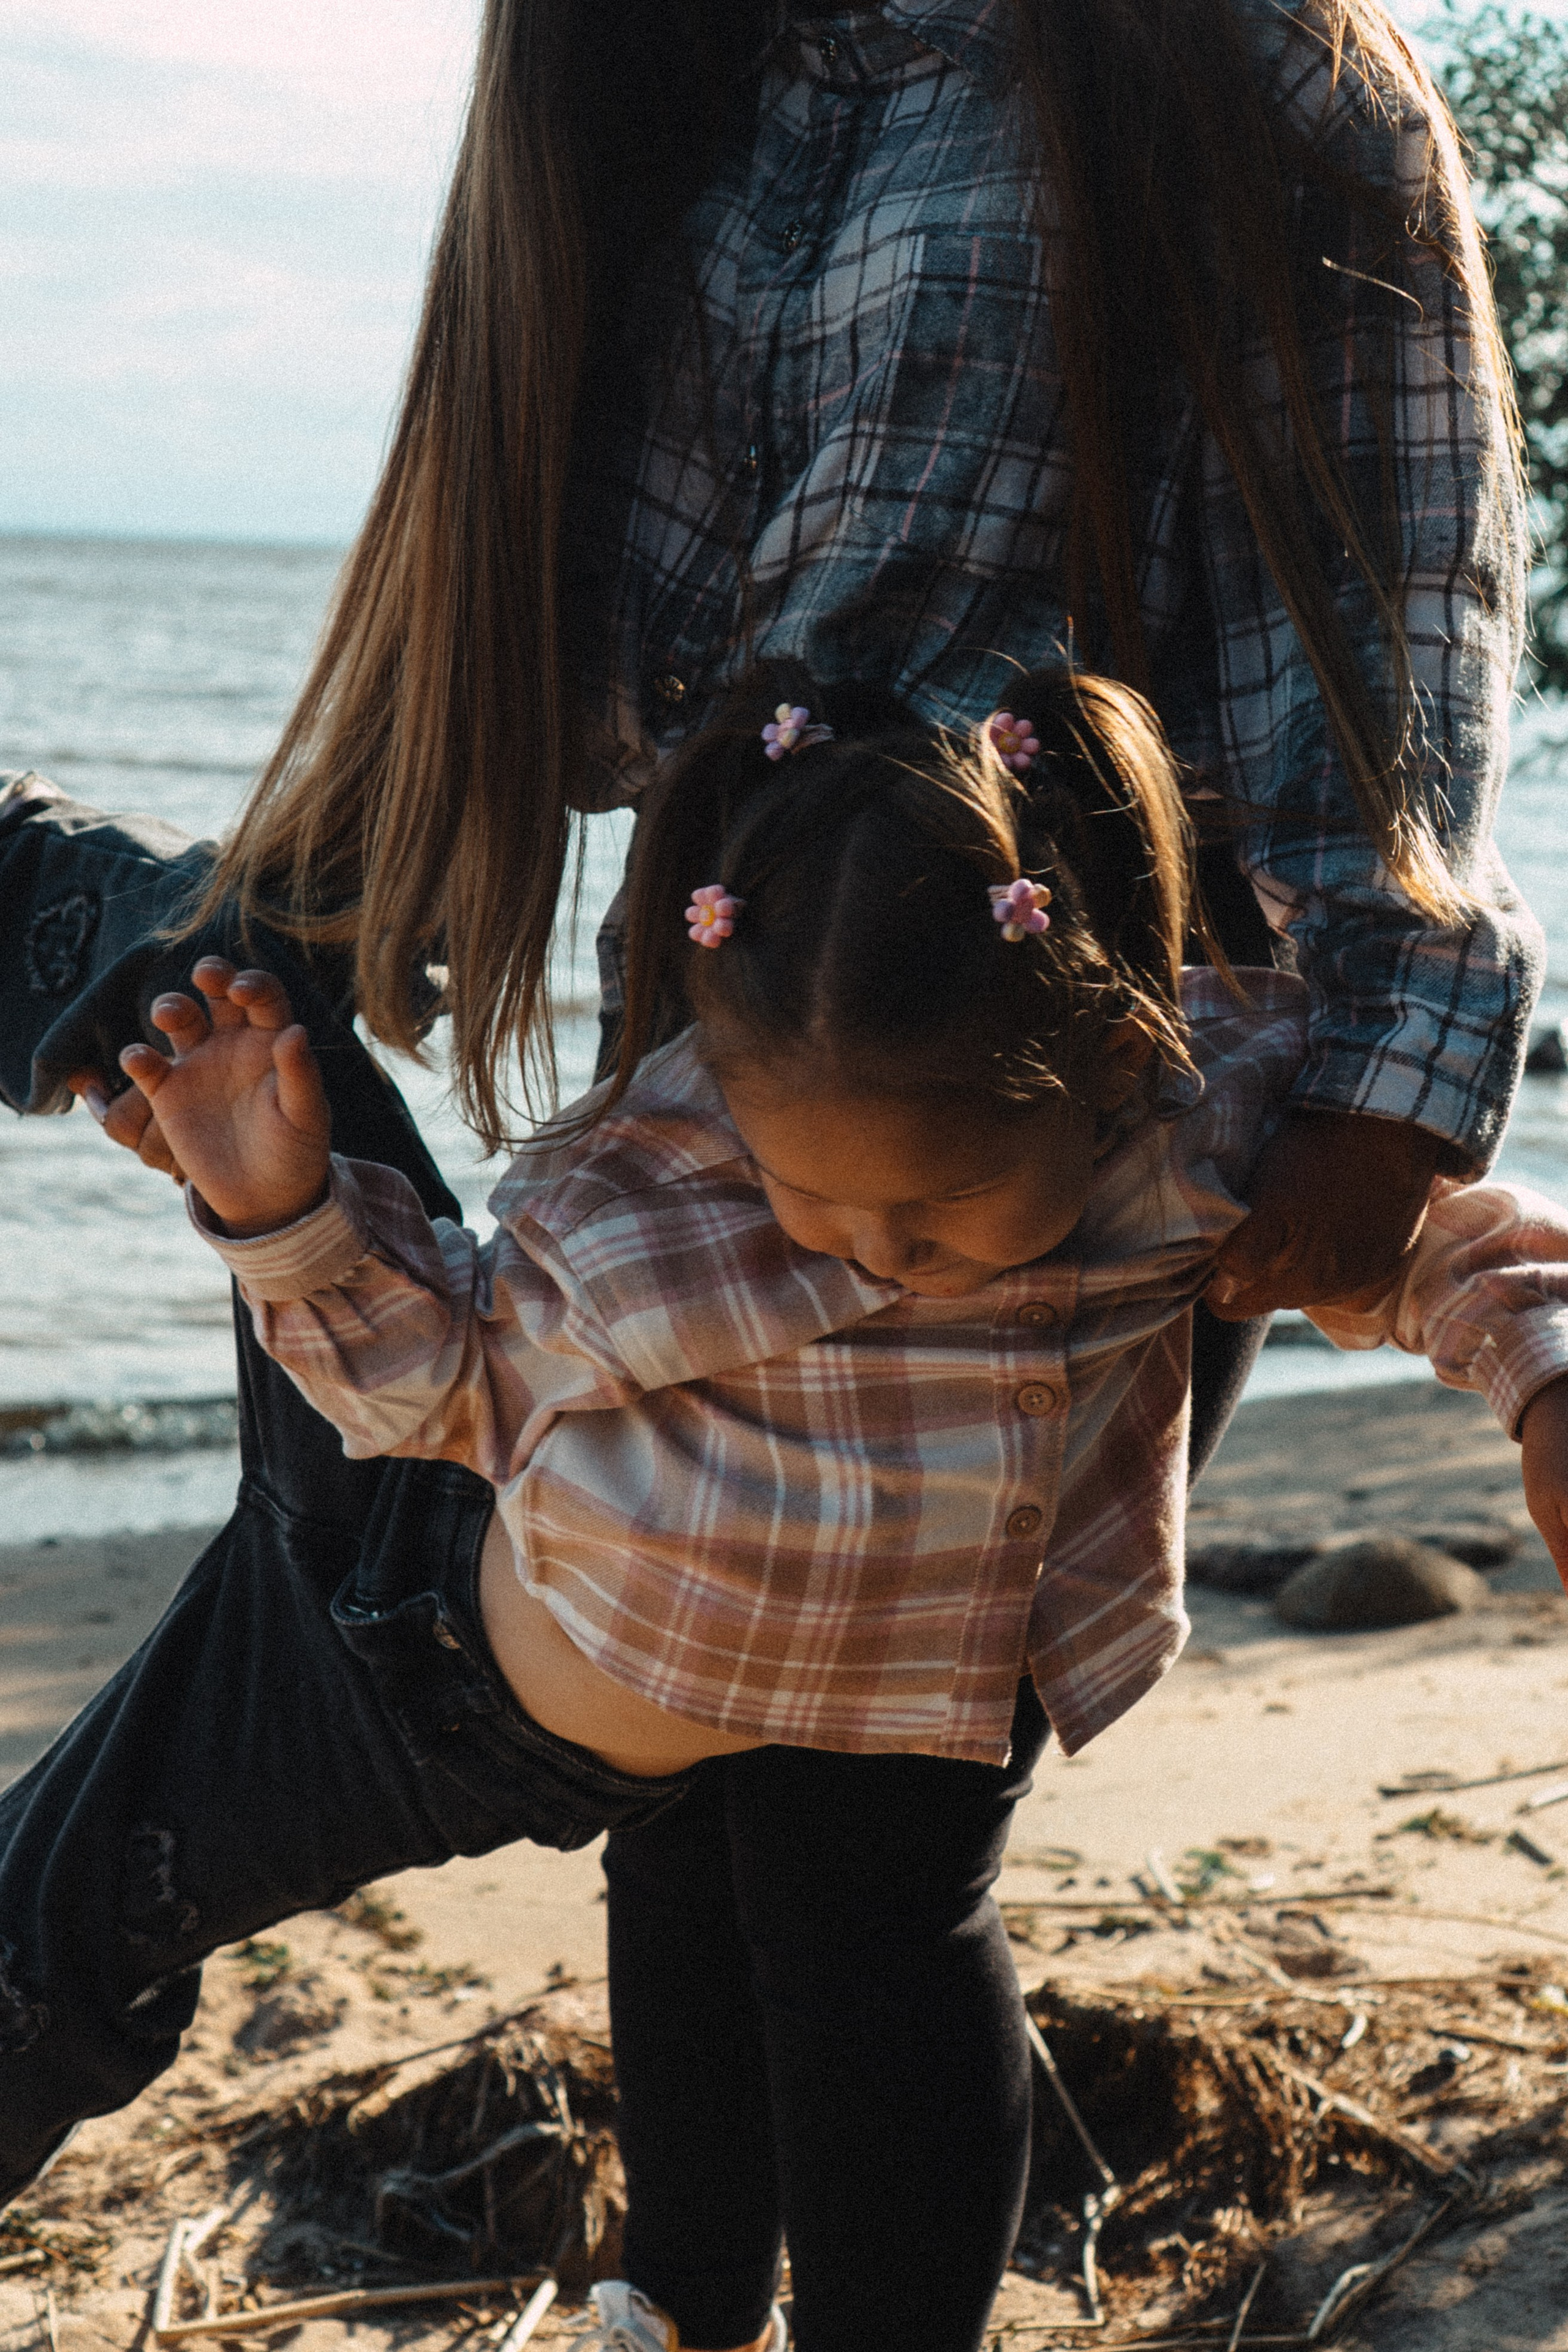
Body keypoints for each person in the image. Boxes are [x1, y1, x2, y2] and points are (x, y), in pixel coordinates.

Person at [13, 665, 1568, 2352]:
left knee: (862, 1958)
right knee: (644, 1905)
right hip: (473, 1672)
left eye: (941, 1214)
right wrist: (286, 1213)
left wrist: (1544, 1378)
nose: (870, 1256)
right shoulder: (658, 1197)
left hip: (872, 1699)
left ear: (1113, 1060)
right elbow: (428, 1394)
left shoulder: (1182, 1134)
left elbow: (1429, 1242)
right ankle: (684, 2310)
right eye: (812, 1192)